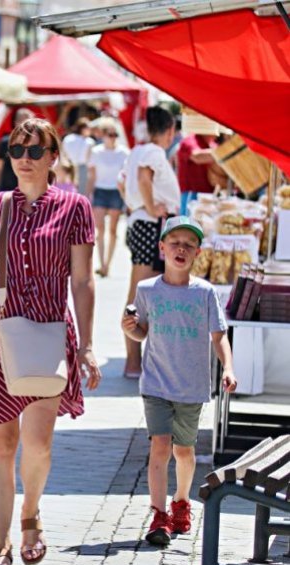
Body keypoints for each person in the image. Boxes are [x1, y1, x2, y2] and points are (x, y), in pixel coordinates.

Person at [0, 117, 100, 565]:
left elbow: (83, 281)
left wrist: (88, 345)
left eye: (35, 151)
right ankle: (1, 544)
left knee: (38, 443)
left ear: (54, 156)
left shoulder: (75, 207)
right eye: (17, 150)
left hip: (50, 331)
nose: (25, 159)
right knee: (0, 442)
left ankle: (31, 511)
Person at [121, 216, 236, 546]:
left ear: (198, 252)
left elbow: (219, 335)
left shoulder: (205, 292)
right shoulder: (147, 290)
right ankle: (159, 515)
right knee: (159, 446)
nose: (181, 249)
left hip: (191, 386)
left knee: (184, 451)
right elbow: (142, 331)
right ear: (162, 248)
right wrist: (130, 329)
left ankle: (181, 502)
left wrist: (228, 367)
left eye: (188, 244)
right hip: (156, 384)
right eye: (174, 243)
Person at [119, 106, 179, 379]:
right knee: (141, 295)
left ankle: (134, 361)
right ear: (170, 131)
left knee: (142, 294)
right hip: (150, 225)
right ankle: (133, 362)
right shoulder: (154, 152)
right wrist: (152, 208)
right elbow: (144, 177)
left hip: (143, 222)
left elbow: (122, 183)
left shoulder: (138, 151)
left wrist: (137, 206)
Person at [86, 120, 129, 278]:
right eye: (109, 134)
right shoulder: (96, 151)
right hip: (100, 190)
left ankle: (107, 265)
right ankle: (101, 263)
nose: (112, 137)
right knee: (100, 229)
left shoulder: (124, 152)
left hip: (115, 192)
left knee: (112, 230)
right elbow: (92, 176)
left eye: (114, 134)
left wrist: (127, 197)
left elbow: (126, 177)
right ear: (103, 135)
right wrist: (87, 195)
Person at [176, 133, 225, 214]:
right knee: (187, 221)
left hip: (209, 198)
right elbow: (197, 157)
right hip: (192, 196)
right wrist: (224, 151)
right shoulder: (189, 141)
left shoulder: (213, 145)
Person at [0, 108, 33, 194]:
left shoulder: (35, 143)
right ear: (16, 122)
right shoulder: (6, 142)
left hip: (28, 190)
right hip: (7, 190)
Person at [62, 118, 95, 194]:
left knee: (68, 189)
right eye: (88, 128)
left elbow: (63, 152)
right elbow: (89, 159)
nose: (90, 131)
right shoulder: (89, 141)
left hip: (69, 166)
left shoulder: (68, 138)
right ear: (83, 128)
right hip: (79, 167)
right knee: (80, 191)